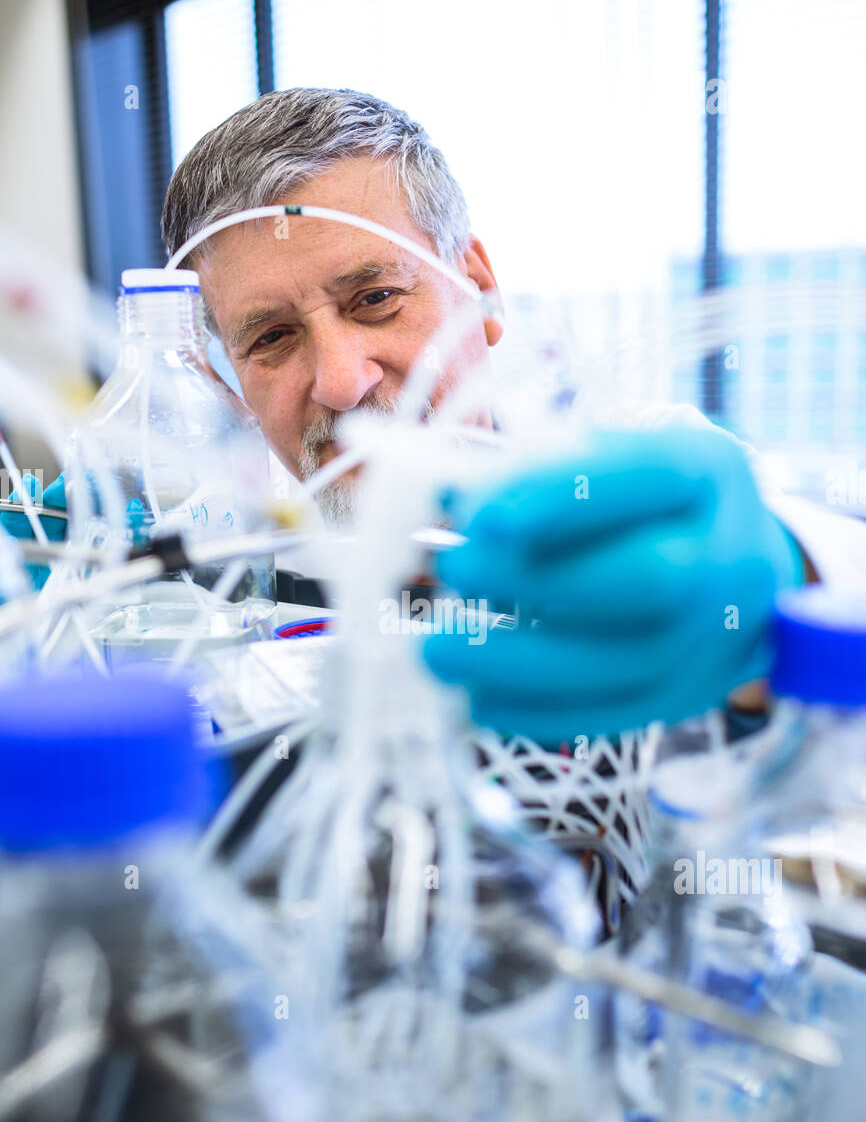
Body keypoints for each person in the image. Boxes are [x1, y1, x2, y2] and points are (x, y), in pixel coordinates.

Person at [8, 87, 866, 741]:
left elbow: (826, 575)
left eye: (377, 297)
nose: (341, 381)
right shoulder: (219, 550)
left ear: (480, 288)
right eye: (271, 337)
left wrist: (790, 579)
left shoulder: (638, 469)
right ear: (225, 374)